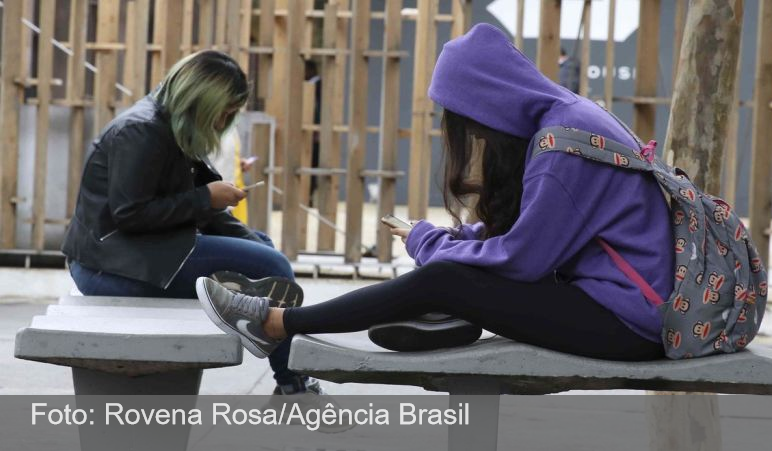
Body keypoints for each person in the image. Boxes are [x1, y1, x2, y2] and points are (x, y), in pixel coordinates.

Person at [195, 24, 673, 362]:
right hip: (623, 302)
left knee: (445, 279)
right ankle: (442, 313)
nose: (471, 137)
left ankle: (275, 324)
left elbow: (523, 259)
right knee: (453, 277)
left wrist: (429, 242)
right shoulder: (571, 120)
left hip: (631, 322)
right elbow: (544, 230)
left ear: (484, 103)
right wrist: (451, 239)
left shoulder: (560, 146)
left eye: (465, 121)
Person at [62, 50, 321, 395]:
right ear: (201, 101)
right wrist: (207, 199)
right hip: (108, 268)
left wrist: (243, 236)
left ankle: (255, 324)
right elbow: (131, 215)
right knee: (272, 266)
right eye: (224, 113)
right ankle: (292, 382)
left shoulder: (169, 124)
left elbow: (208, 213)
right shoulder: (140, 131)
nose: (222, 122)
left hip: (137, 254)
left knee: (265, 252)